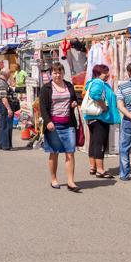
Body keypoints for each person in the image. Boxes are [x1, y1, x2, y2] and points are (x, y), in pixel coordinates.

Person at [39, 63, 81, 192]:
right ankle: (54, 179)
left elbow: (75, 99)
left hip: (68, 124)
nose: (58, 75)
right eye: (55, 73)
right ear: (51, 74)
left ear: (63, 73)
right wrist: (48, 122)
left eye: (60, 72)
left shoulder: (69, 85)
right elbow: (43, 108)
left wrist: (74, 103)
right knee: (54, 153)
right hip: (53, 125)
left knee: (70, 153)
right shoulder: (46, 88)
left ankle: (70, 181)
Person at [83, 64, 121, 178]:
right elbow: (95, 95)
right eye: (105, 72)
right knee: (100, 143)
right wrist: (104, 107)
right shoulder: (98, 83)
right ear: (99, 73)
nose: (108, 75)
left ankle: (93, 167)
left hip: (92, 117)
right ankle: (100, 169)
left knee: (94, 142)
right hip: (100, 117)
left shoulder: (93, 82)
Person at [0, 69, 15, 151]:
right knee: (6, 126)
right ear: (6, 74)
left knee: (3, 125)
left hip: (3, 105)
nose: (10, 75)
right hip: (5, 105)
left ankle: (1, 144)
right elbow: (4, 97)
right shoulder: (2, 83)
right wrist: (9, 109)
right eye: (10, 73)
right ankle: (6, 145)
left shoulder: (0, 81)